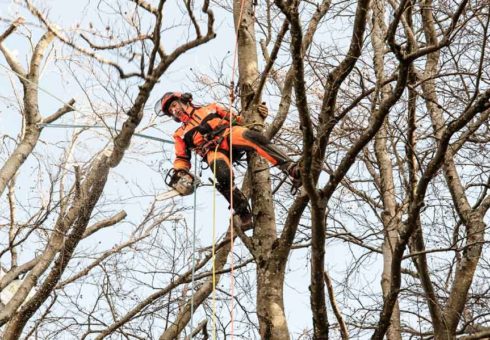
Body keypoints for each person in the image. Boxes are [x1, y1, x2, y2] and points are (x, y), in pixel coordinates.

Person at [156, 91, 301, 229]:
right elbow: (181, 157)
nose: (174, 110)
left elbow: (239, 120)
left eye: (174, 105)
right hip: (212, 150)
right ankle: (242, 210)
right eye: (170, 110)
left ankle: (291, 168)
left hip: (228, 133)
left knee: (252, 137)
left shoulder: (210, 108)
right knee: (222, 174)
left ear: (182, 100)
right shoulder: (180, 134)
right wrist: (180, 171)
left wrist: (259, 114)